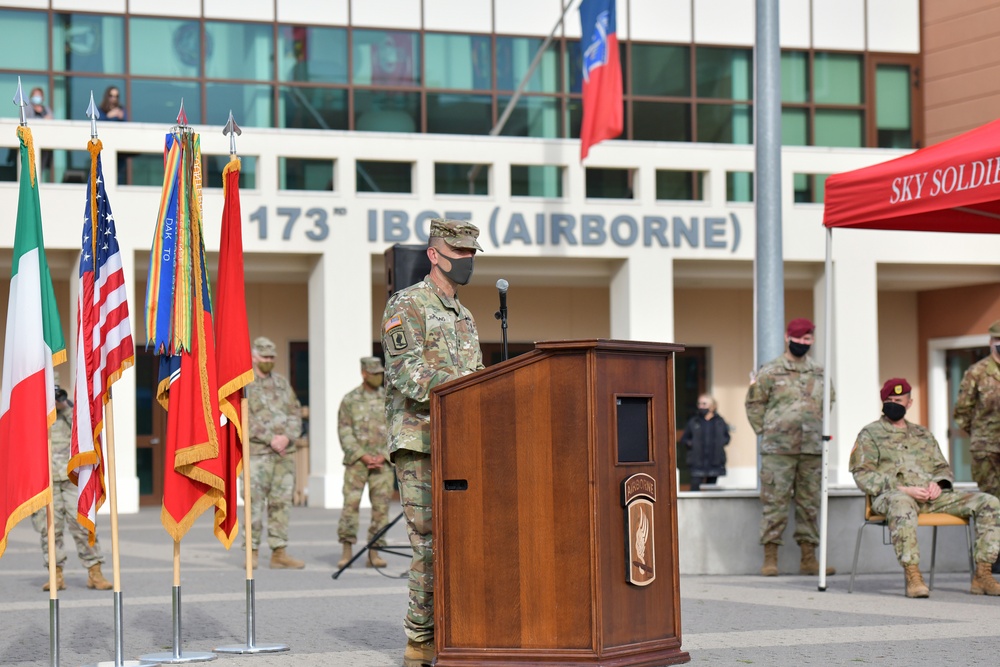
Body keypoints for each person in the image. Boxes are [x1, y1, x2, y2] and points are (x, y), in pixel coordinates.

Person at [381, 218, 484, 667]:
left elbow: (479, 377)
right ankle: (420, 638)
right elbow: (407, 374)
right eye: (458, 253)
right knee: (429, 542)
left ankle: (458, 630)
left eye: (471, 255)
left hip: (462, 440)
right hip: (420, 440)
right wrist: (466, 388)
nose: (466, 262)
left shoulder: (466, 317)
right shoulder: (406, 305)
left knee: (465, 539)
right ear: (434, 255)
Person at [851, 377, 1000, 597]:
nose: (894, 403)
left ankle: (983, 575)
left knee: (989, 502)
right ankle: (913, 576)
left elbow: (942, 467)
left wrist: (938, 484)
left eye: (899, 400)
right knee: (902, 503)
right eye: (889, 399)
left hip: (931, 498)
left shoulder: (923, 434)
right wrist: (902, 489)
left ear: (909, 403)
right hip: (893, 498)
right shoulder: (870, 434)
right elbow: (862, 474)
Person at [745, 317, 835, 577]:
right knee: (775, 503)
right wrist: (767, 432)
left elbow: (827, 404)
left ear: (812, 340)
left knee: (810, 504)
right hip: (778, 451)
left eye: (807, 339)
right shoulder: (770, 371)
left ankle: (809, 558)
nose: (802, 343)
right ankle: (770, 558)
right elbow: (754, 404)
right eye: (798, 338)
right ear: (787, 337)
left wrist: (817, 429)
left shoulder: (819, 372)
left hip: (811, 450)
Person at [30, 385, 112, 591]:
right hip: (46, 482)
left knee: (83, 525)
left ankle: (95, 572)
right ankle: (55, 574)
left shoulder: (72, 414)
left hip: (71, 480)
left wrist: (65, 407)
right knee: (50, 529)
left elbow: (83, 434)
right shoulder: (35, 416)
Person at [246, 336, 305, 569]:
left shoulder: (282, 383)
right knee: (254, 505)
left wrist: (287, 437)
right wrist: (271, 439)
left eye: (272, 357)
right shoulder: (245, 384)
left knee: (281, 504)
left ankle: (279, 553)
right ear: (254, 357)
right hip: (257, 455)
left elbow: (295, 411)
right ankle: (251, 552)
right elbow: (243, 417)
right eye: (265, 357)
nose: (269, 361)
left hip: (284, 455)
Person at [336, 356, 393, 569]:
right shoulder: (350, 400)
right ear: (364, 374)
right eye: (375, 374)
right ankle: (347, 550)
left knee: (381, 508)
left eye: (381, 374)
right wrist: (362, 455)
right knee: (350, 506)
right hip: (357, 464)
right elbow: (344, 430)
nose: (379, 377)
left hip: (382, 463)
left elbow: (395, 428)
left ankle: (375, 552)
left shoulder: (388, 399)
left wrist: (384, 455)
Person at [953, 319, 1000, 573]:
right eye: (997, 340)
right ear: (991, 341)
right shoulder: (977, 372)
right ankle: (988, 561)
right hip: (986, 451)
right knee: (990, 502)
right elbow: (962, 412)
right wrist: (982, 434)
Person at [679, 393, 730, 490]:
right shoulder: (694, 422)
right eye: (699, 404)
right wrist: (691, 444)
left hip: (714, 463)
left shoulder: (719, 422)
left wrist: (720, 444)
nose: (701, 406)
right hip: (697, 463)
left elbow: (726, 438)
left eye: (704, 404)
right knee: (694, 490)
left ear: (712, 406)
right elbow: (684, 439)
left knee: (711, 491)